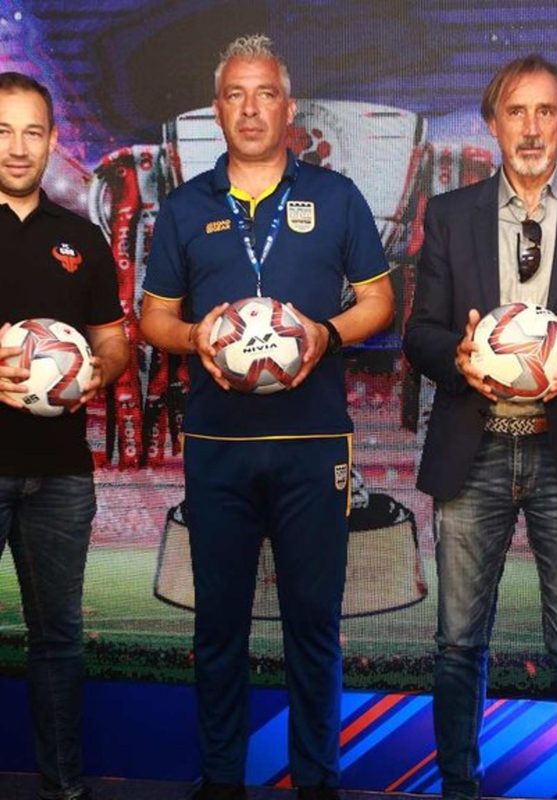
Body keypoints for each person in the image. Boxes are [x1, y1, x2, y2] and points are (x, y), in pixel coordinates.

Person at [140, 35, 394, 800]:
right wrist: (196, 337)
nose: (251, 109)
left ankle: (317, 781)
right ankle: (221, 782)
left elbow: (380, 301)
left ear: (289, 109)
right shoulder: (186, 207)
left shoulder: (337, 196)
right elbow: (154, 319)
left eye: (266, 94)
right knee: (218, 628)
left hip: (313, 448)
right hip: (218, 447)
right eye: (235, 95)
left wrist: (325, 334)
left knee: (314, 627)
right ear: (218, 110)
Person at [403, 55, 557, 800]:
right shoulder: (450, 214)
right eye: (516, 111)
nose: (532, 127)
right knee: (458, 645)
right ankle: (459, 786)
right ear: (493, 124)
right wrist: (457, 358)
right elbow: (421, 334)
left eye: (547, 111)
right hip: (474, 448)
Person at [0, 72, 129, 800]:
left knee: (57, 640)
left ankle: (64, 788)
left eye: (32, 131)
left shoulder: (80, 237)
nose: (18, 148)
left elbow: (112, 340)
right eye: (2, 131)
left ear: (52, 141)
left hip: (60, 474)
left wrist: (99, 368)